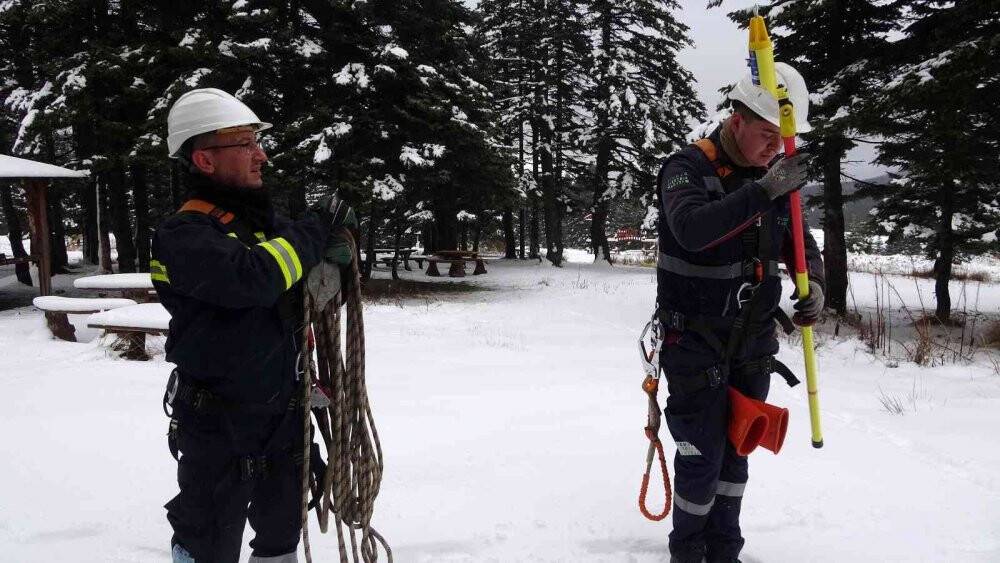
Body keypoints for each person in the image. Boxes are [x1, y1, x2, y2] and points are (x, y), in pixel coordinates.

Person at [151, 88, 354, 563]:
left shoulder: (265, 228)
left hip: (283, 416)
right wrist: (314, 228)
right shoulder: (184, 235)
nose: (260, 154)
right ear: (205, 159)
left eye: (257, 142)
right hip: (218, 423)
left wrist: (333, 263)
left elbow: (297, 284)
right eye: (245, 143)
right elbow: (255, 279)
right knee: (209, 540)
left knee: (282, 530)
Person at [655, 63, 826, 563]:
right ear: (737, 121)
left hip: (752, 345)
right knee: (701, 458)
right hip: (694, 343)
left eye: (783, 137)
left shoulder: (771, 179)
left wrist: (812, 280)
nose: (775, 147)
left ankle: (725, 550)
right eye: (767, 134)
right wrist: (764, 190)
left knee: (737, 455)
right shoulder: (686, 169)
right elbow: (691, 229)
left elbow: (800, 240)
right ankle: (687, 551)